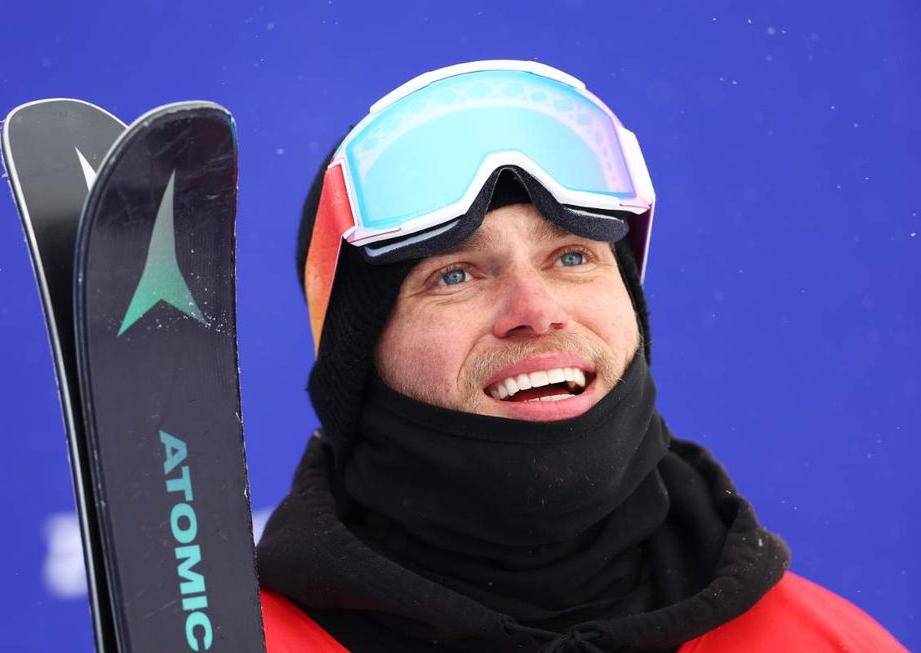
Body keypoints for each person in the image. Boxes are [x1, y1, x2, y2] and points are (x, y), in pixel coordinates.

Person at [254, 61, 906, 652]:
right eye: (455, 275)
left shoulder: (827, 642)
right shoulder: (236, 637)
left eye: (572, 257)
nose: (536, 310)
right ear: (357, 363)